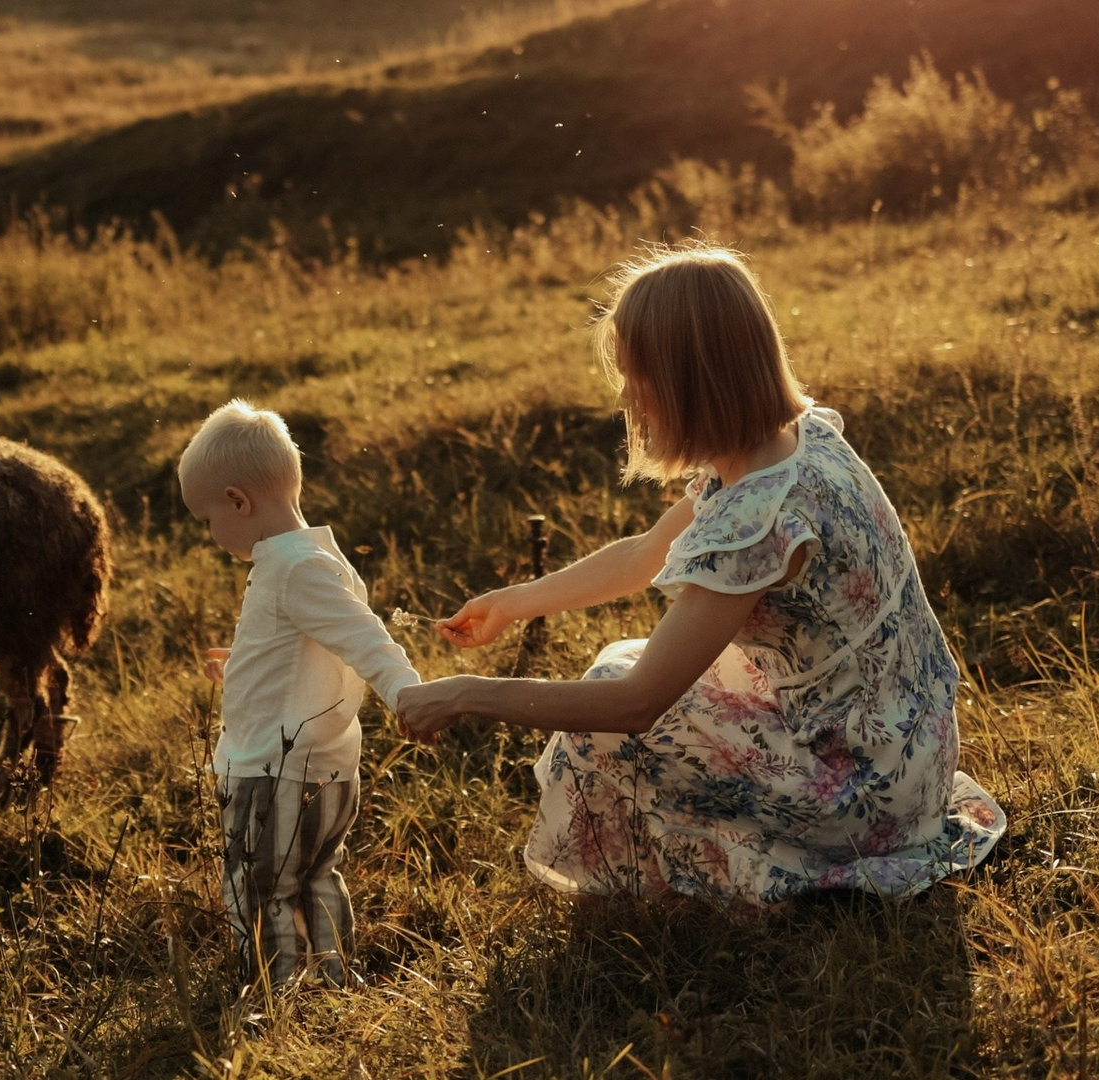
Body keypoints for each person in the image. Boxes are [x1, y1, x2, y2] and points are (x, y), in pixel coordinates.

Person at [394, 243, 1005, 908]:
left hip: (863, 795)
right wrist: (515, 602)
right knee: (626, 659)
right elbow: (643, 554)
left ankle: (655, 905)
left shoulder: (759, 523)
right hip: (913, 749)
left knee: (603, 710)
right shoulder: (798, 442)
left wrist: (465, 694)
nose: (626, 392)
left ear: (690, 377)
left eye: (638, 375)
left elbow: (635, 706)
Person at [180, 399, 420, 986]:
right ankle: (332, 979)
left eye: (208, 519)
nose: (211, 535)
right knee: (313, 875)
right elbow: (313, 642)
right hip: (323, 767)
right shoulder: (313, 557)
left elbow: (366, 638)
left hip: (277, 769)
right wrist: (246, 664)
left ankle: (277, 992)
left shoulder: (295, 568)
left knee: (261, 884)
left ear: (238, 501)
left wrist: (406, 691)